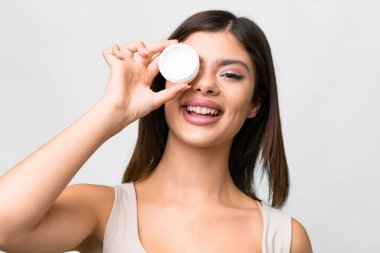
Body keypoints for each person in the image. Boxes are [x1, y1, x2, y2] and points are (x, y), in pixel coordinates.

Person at [0, 10, 312, 253]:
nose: (205, 85)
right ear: (163, 83)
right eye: (191, 68)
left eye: (230, 74)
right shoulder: (103, 211)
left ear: (255, 103)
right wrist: (112, 112)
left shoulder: (285, 238)